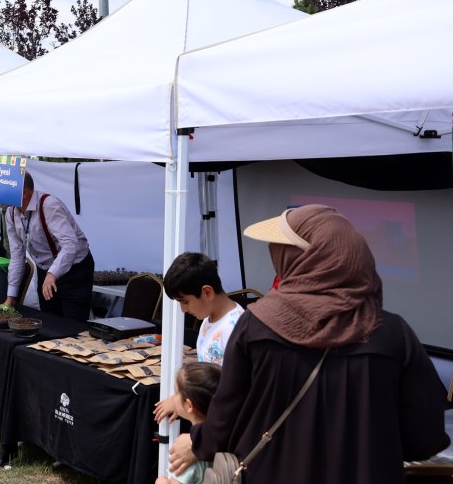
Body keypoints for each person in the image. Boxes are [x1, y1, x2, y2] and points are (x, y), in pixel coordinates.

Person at [169, 205, 450, 484]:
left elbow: (226, 417)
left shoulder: (256, 326)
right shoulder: (393, 334)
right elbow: (425, 437)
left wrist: (197, 441)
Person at [154, 252, 242, 423]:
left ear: (207, 292)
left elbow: (231, 392)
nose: (183, 310)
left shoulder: (235, 329)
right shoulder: (208, 319)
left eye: (185, 301)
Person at [4, 172, 94, 322]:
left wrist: (52, 274)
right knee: (49, 321)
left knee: (73, 325)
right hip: (45, 269)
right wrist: (11, 296)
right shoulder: (11, 213)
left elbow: (71, 245)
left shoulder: (49, 205)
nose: (1, 194)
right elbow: (17, 255)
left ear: (24, 192)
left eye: (7, 190)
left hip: (75, 269)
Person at [155, 362, 222, 484]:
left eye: (176, 393)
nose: (173, 397)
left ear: (189, 405)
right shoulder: (225, 442)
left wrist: (161, 482)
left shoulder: (185, 454)